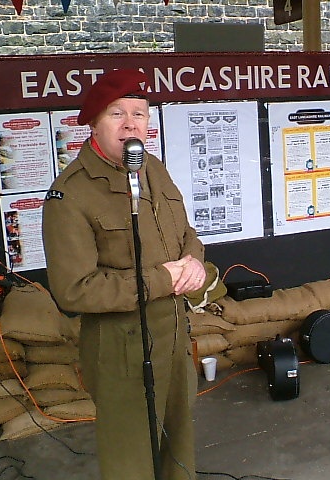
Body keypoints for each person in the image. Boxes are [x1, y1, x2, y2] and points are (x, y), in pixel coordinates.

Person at [42, 69, 206, 480]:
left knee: (179, 448)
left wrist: (195, 262)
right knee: (130, 459)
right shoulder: (72, 193)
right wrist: (163, 280)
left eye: (140, 113)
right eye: (117, 113)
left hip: (173, 335)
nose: (132, 123)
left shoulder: (154, 170)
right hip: (121, 347)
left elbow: (186, 234)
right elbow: (74, 291)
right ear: (95, 123)